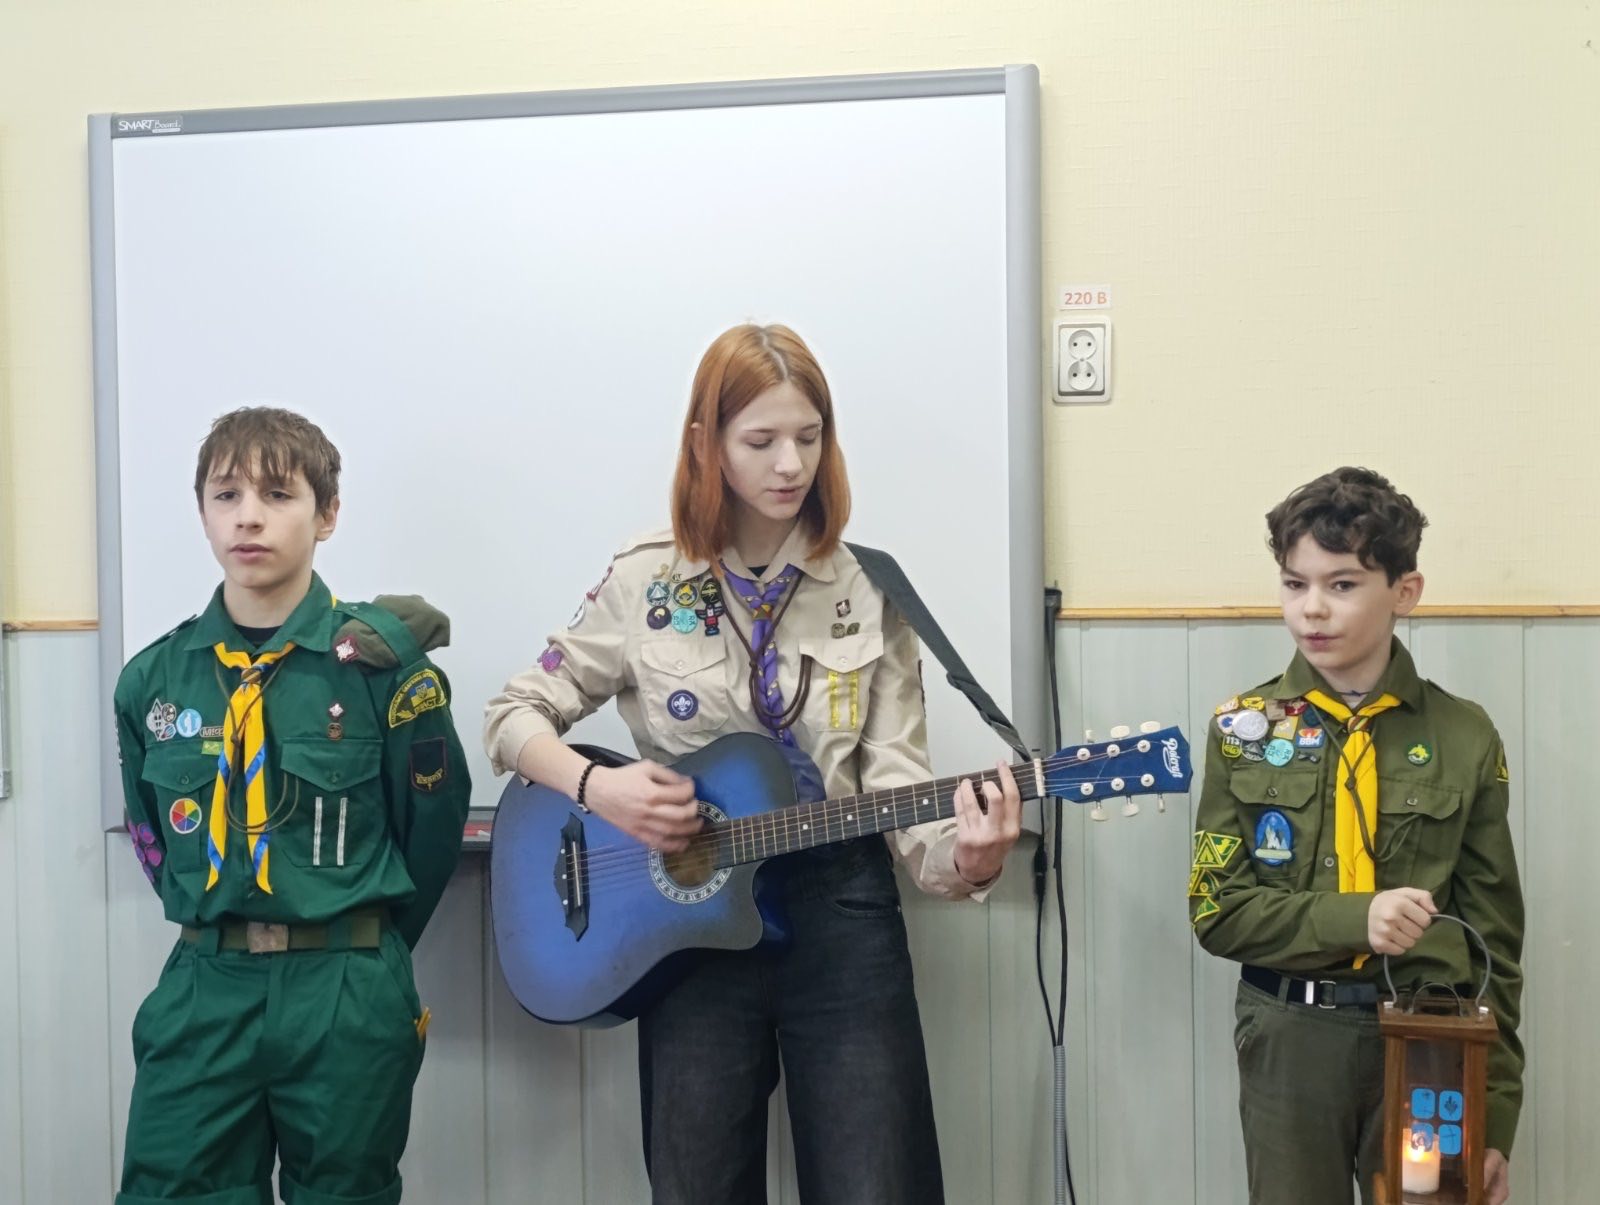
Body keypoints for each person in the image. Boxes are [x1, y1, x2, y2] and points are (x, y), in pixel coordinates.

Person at [484, 323, 1024, 1204]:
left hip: (841, 911)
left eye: (809, 437)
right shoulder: (645, 580)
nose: (791, 464)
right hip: (688, 921)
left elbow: (900, 789)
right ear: (707, 444)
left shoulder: (870, 588)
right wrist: (600, 786)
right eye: (762, 439)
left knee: (878, 1183)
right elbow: (512, 716)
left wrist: (969, 858)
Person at [114, 406, 472, 1205]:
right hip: (206, 984)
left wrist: (365, 945)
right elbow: (153, 837)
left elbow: (434, 827)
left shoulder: (382, 667)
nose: (248, 516)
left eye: (278, 494)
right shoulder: (153, 681)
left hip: (345, 985)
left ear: (327, 514)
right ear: (202, 512)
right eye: (226, 494)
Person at [1189, 467, 1524, 1205]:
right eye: (1294, 583)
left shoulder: (1464, 734)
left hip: (1432, 1039)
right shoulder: (1242, 730)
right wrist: (1356, 917)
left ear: (1405, 591)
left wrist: (1495, 1108)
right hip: (1290, 1034)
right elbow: (1217, 910)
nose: (1312, 608)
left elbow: (1495, 943)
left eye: (1341, 584)